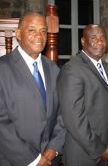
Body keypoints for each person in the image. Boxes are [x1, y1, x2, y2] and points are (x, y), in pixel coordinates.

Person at [0, 13, 65, 166]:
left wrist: (54, 148)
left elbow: (63, 113)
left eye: (43, 31)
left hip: (51, 159)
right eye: (31, 30)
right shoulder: (3, 68)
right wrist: (34, 159)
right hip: (15, 161)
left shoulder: (54, 69)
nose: (39, 36)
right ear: (18, 34)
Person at [57, 24, 108, 166]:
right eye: (94, 38)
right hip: (84, 154)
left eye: (102, 38)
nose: (100, 42)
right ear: (83, 41)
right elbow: (75, 120)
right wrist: (100, 149)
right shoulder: (72, 69)